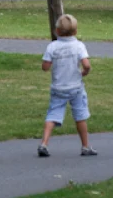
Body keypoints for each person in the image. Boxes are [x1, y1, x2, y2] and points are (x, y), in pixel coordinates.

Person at [37, 13, 97, 158]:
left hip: (58, 87)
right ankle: (85, 146)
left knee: (52, 114)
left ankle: (44, 143)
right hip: (76, 87)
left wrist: (48, 64)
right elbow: (87, 64)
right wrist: (85, 71)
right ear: (75, 32)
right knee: (80, 115)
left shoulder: (53, 46)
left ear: (57, 31)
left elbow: (45, 66)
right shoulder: (78, 46)